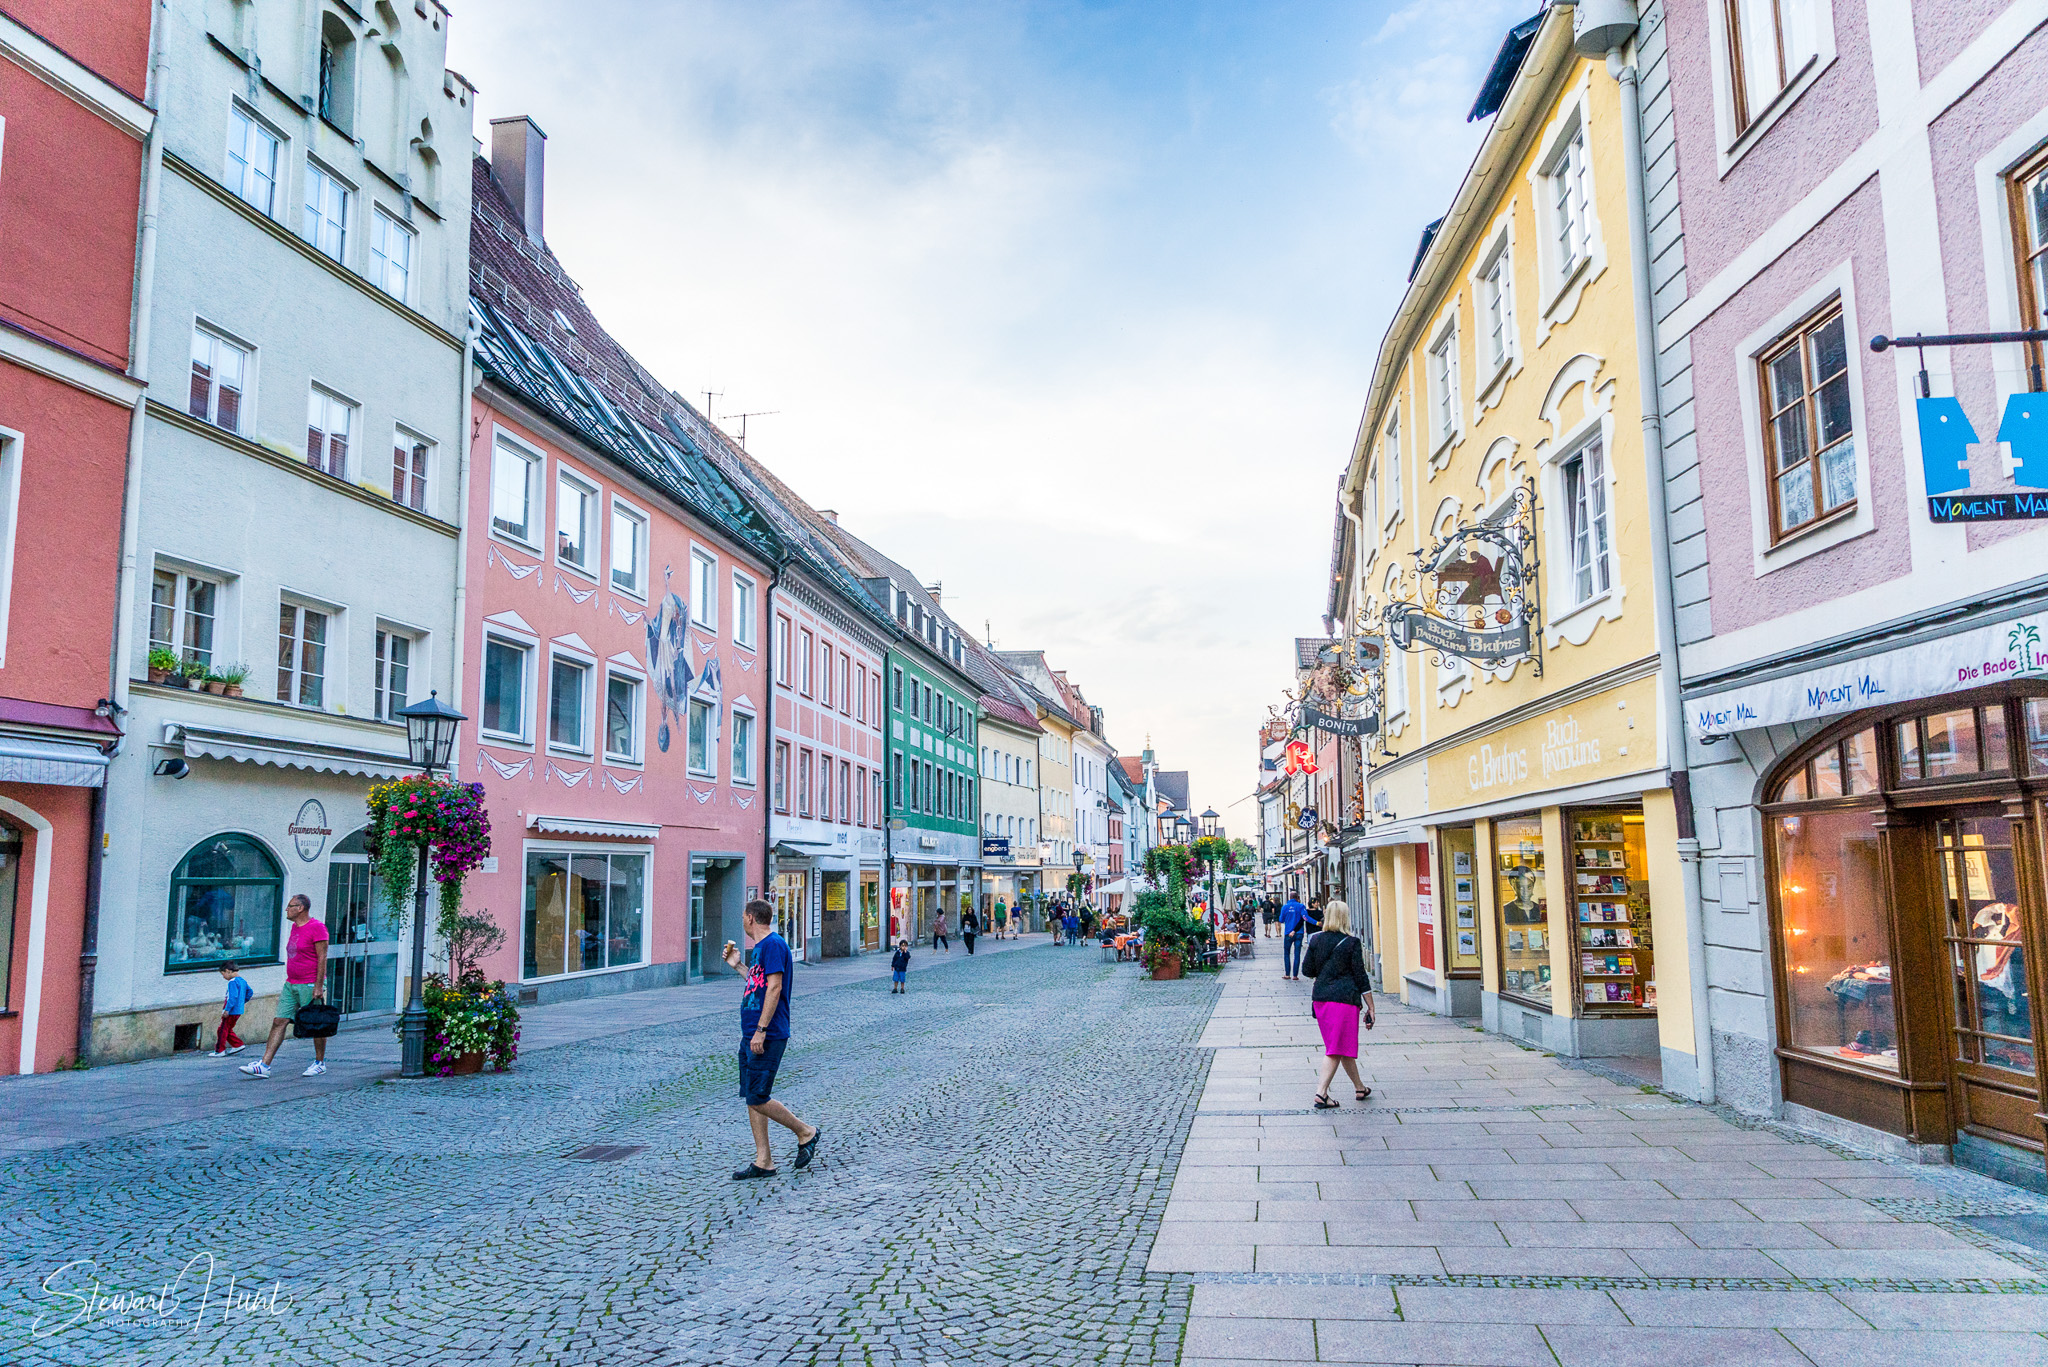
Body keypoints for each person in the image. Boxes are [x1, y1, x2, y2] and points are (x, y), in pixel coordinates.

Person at [723, 898, 820, 1179]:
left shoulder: (774, 945)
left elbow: (775, 987)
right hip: (752, 1033)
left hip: (767, 1034)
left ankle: (806, 1132)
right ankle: (764, 1160)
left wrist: (761, 1030)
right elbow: (759, 984)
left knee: (758, 1096)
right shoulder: (761, 949)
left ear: (751, 918)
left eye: (743, 915)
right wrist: (739, 966)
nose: (742, 920)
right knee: (752, 1096)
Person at [240, 895, 329, 1079]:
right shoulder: (295, 928)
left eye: (290, 906)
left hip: (310, 983)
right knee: (279, 1021)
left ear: (301, 908)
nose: (286, 909)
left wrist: (318, 986)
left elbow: (322, 958)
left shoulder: (317, 928)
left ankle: (319, 1062)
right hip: (291, 983)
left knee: (316, 1023)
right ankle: (264, 1065)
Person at [1301, 899, 1375, 1107]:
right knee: (1335, 1048)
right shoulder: (1351, 942)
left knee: (1341, 1044)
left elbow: (1307, 971)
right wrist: (1370, 1005)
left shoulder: (1315, 940)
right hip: (1344, 1000)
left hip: (1322, 999)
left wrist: (1324, 970)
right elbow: (1360, 976)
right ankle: (1321, 1093)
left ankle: (1359, 1087)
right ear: (1345, 917)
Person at [212, 962, 252, 1056]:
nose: (223, 977)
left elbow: (232, 997)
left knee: (222, 1030)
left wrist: (227, 1009)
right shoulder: (242, 981)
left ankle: (220, 1050)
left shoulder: (232, 982)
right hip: (238, 1010)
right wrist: (241, 1002)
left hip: (231, 1010)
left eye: (223, 974)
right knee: (227, 1029)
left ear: (228, 971)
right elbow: (250, 992)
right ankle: (237, 1044)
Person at [1279, 891, 1309, 981]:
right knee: (1297, 954)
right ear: (1297, 897)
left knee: (1287, 953)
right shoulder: (1301, 906)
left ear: (1289, 897)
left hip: (1288, 932)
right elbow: (1305, 917)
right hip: (1299, 932)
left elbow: (1281, 919)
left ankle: (1287, 974)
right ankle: (1295, 975)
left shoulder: (1285, 907)